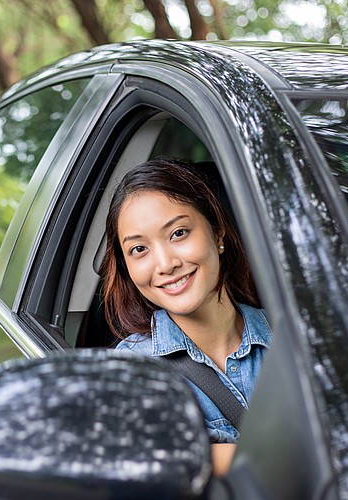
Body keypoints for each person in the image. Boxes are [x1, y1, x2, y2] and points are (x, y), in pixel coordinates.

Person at [101, 158, 272, 477]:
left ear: (217, 232)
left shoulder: (296, 334)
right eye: (139, 250)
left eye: (178, 233)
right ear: (126, 266)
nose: (164, 264)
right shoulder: (132, 372)